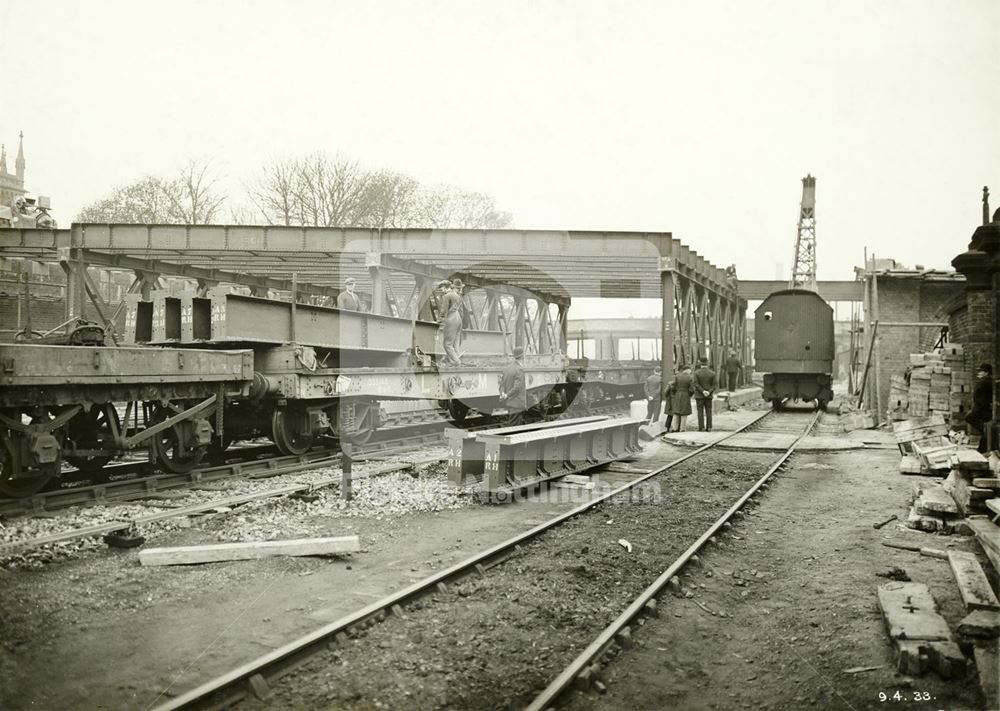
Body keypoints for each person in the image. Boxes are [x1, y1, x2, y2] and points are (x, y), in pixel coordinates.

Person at [966, 363, 994, 454]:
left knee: (969, 418)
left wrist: (977, 408)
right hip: (985, 409)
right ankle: (985, 435)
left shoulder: (983, 382)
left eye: (982, 371)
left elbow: (980, 398)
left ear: (986, 373)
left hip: (982, 410)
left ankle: (985, 432)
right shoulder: (989, 382)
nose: (979, 373)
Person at [436, 280, 463, 366]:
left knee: (447, 344)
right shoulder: (457, 295)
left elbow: (444, 310)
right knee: (455, 343)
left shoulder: (447, 296)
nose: (441, 291)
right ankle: (455, 359)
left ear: (445, 287)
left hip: (451, 318)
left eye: (442, 289)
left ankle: (456, 362)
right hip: (458, 318)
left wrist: (438, 320)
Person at [499, 346, 527, 426]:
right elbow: (517, 388)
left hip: (509, 403)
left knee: (513, 425)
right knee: (515, 428)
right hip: (517, 403)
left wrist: (503, 394)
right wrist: (507, 395)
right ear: (522, 356)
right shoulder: (519, 369)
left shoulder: (507, 368)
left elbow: (501, 385)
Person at [666, 364, 695, 432]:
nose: (690, 371)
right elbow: (692, 389)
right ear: (688, 370)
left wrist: (675, 393)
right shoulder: (690, 377)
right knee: (684, 414)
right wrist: (690, 395)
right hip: (686, 395)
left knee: (676, 412)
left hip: (678, 395)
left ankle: (675, 428)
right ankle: (682, 429)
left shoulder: (677, 376)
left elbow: (672, 386)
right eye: (690, 370)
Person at [693, 357, 717, 432]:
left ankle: (701, 427)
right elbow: (714, 385)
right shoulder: (712, 373)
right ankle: (709, 427)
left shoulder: (696, 373)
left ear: (700, 363)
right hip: (709, 396)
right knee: (708, 411)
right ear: (707, 362)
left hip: (699, 395)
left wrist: (702, 391)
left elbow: (696, 384)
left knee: (700, 411)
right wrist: (709, 392)